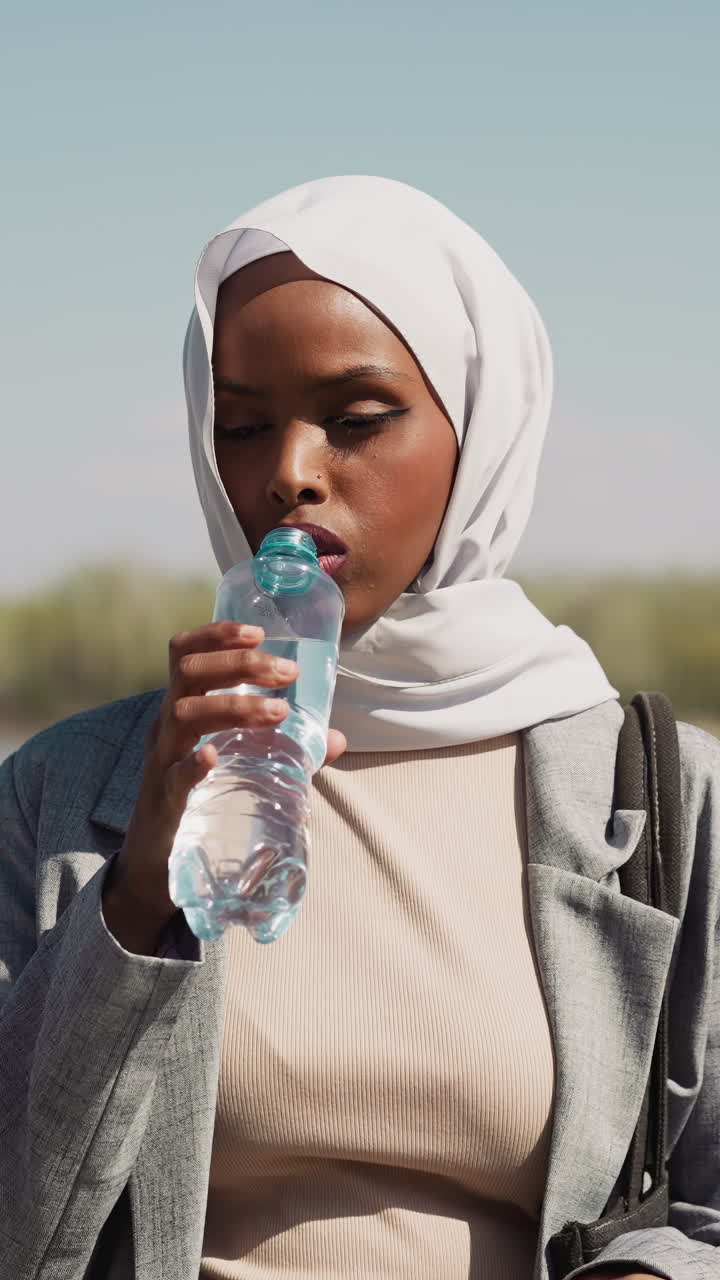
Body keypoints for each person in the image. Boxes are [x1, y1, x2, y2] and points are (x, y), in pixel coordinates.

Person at [0, 176, 717, 1280]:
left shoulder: (657, 794)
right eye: (240, 424)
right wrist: (136, 901)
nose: (288, 474)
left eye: (355, 419)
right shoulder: (65, 789)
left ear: (477, 431)